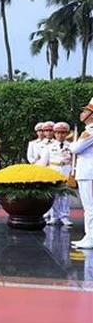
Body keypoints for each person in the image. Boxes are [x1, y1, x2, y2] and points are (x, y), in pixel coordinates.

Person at [38, 122, 74, 226]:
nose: (60, 135)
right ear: (55, 133)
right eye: (58, 132)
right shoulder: (49, 147)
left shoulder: (71, 146)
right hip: (53, 171)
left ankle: (64, 216)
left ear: (66, 134)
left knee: (65, 196)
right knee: (54, 196)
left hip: (66, 171)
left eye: (63, 133)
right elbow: (43, 162)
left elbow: (74, 160)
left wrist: (73, 172)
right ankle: (54, 216)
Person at [70, 99, 93, 249]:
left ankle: (90, 238)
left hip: (89, 173)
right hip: (86, 173)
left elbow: (75, 149)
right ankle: (88, 236)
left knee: (90, 207)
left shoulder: (90, 131)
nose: (82, 113)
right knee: (88, 207)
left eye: (85, 111)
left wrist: (73, 142)